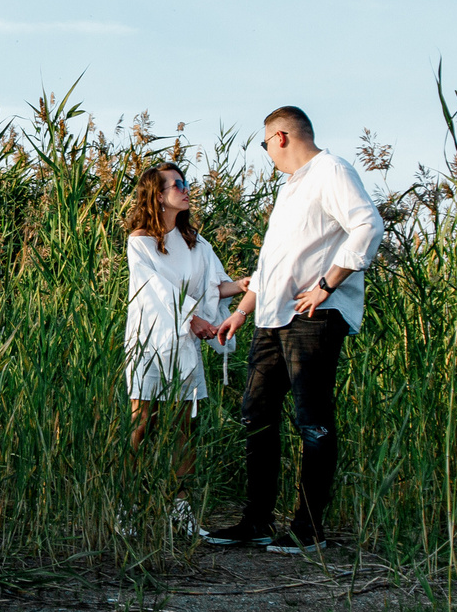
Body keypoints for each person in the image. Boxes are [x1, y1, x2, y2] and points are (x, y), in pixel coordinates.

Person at [204, 107, 382, 554]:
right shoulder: (290, 188)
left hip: (313, 318)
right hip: (271, 317)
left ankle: (308, 531)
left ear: (280, 137)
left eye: (265, 145)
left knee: (312, 421)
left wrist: (327, 284)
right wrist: (241, 312)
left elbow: (368, 225)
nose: (267, 153)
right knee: (256, 414)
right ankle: (257, 522)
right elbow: (273, 265)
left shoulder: (331, 171)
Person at [121, 162, 239, 533]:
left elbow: (213, 286)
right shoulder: (140, 241)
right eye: (177, 185)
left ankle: (180, 511)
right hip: (149, 341)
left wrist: (246, 285)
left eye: (185, 183)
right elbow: (154, 290)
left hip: (183, 344)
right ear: (157, 194)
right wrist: (194, 319)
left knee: (184, 426)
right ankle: (129, 508)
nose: (185, 190)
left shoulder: (196, 243)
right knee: (142, 424)